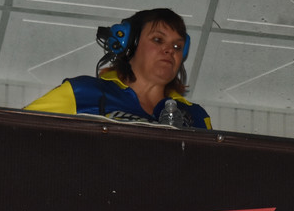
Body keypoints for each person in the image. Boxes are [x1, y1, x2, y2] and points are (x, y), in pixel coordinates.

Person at [25, 8, 212, 129]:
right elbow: (16, 130)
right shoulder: (82, 93)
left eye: (177, 46)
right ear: (129, 44)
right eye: (158, 40)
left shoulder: (197, 117)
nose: (170, 50)